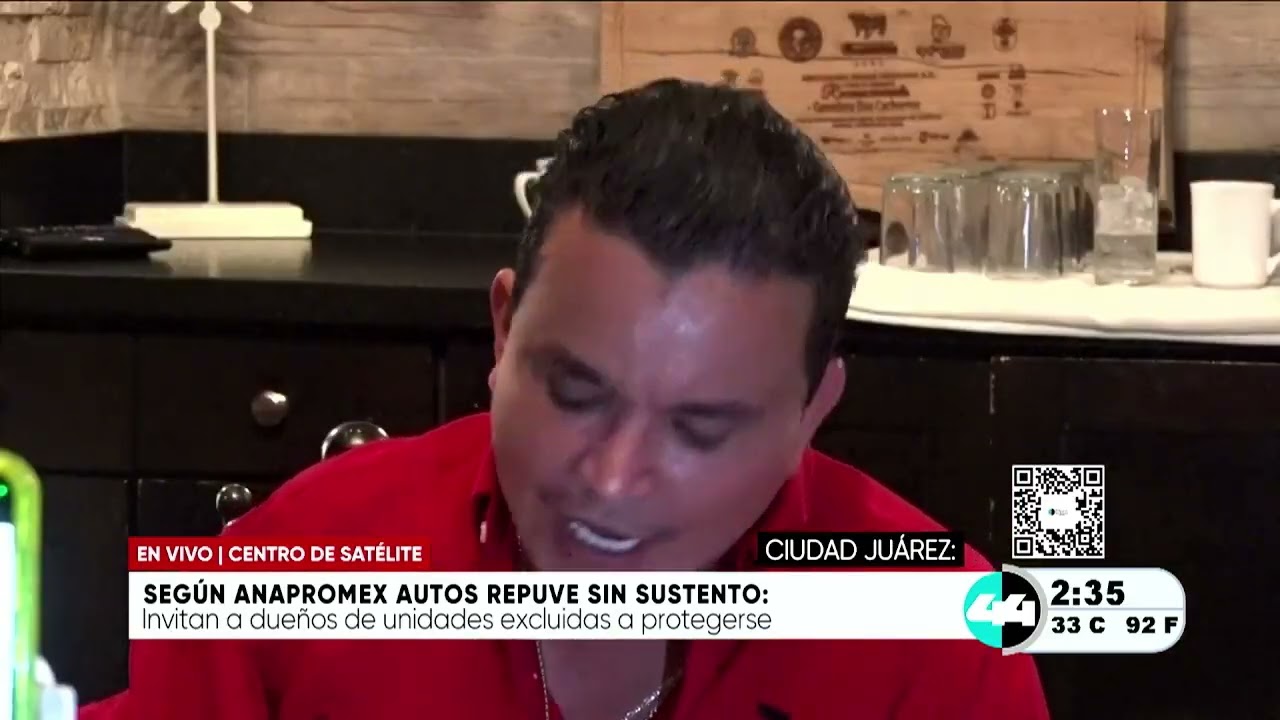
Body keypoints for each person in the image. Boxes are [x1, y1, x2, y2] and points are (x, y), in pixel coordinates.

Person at [81, 79, 1049, 720]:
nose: (615, 481)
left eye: (700, 429)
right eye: (576, 392)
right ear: (504, 331)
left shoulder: (942, 641)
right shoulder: (295, 564)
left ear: (810, 411)